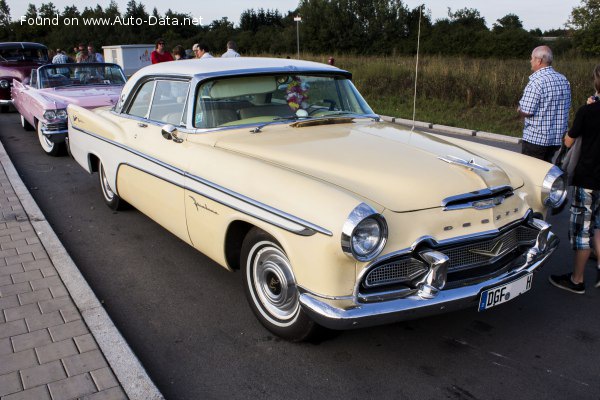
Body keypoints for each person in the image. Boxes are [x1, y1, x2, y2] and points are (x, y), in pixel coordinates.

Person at [549, 65, 600, 294]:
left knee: (582, 230)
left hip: (588, 176)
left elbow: (569, 141)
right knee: (597, 225)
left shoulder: (587, 112)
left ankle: (577, 279)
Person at [517, 46, 571, 162]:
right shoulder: (563, 80)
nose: (530, 61)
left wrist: (519, 110)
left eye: (531, 58)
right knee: (546, 173)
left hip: (536, 140)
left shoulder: (536, 82)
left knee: (530, 174)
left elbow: (527, 111)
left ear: (539, 60)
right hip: (555, 140)